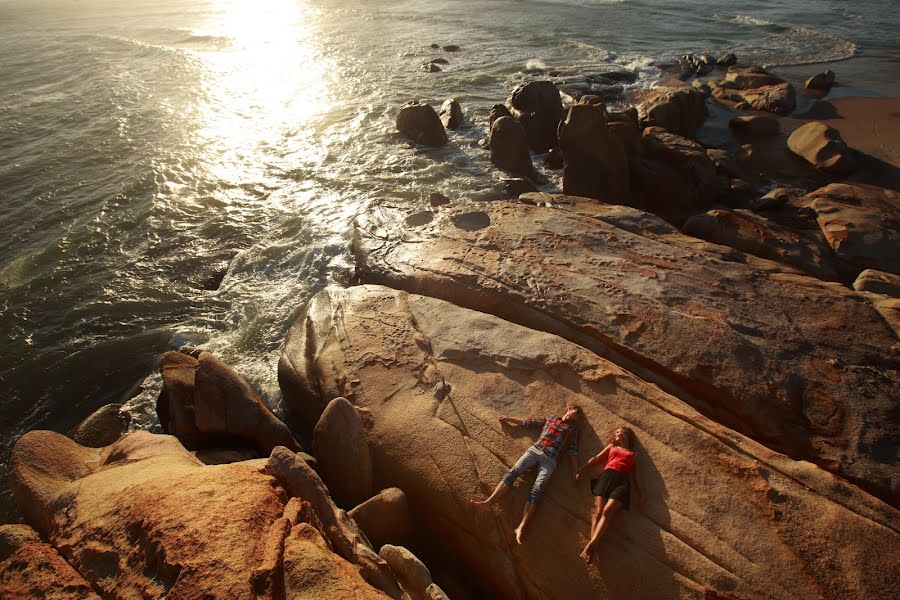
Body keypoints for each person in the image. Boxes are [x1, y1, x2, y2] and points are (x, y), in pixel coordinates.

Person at [469, 405, 582, 544]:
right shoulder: (551, 419)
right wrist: (509, 419)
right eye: (576, 413)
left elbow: (573, 452)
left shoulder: (572, 431)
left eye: (578, 416)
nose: (577, 416)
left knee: (537, 489)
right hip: (535, 450)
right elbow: (529, 422)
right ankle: (488, 502)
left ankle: (521, 527)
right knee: (513, 472)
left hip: (550, 461)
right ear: (569, 409)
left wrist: (575, 470)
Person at [575, 426, 644, 562]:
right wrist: (581, 469)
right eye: (616, 432)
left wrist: (641, 494)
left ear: (627, 436)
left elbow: (637, 477)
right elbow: (597, 459)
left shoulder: (633, 454)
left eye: (621, 432)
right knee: (597, 512)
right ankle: (593, 550)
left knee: (607, 512)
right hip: (606, 477)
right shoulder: (612, 446)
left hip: (622, 482)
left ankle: (590, 546)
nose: (618, 434)